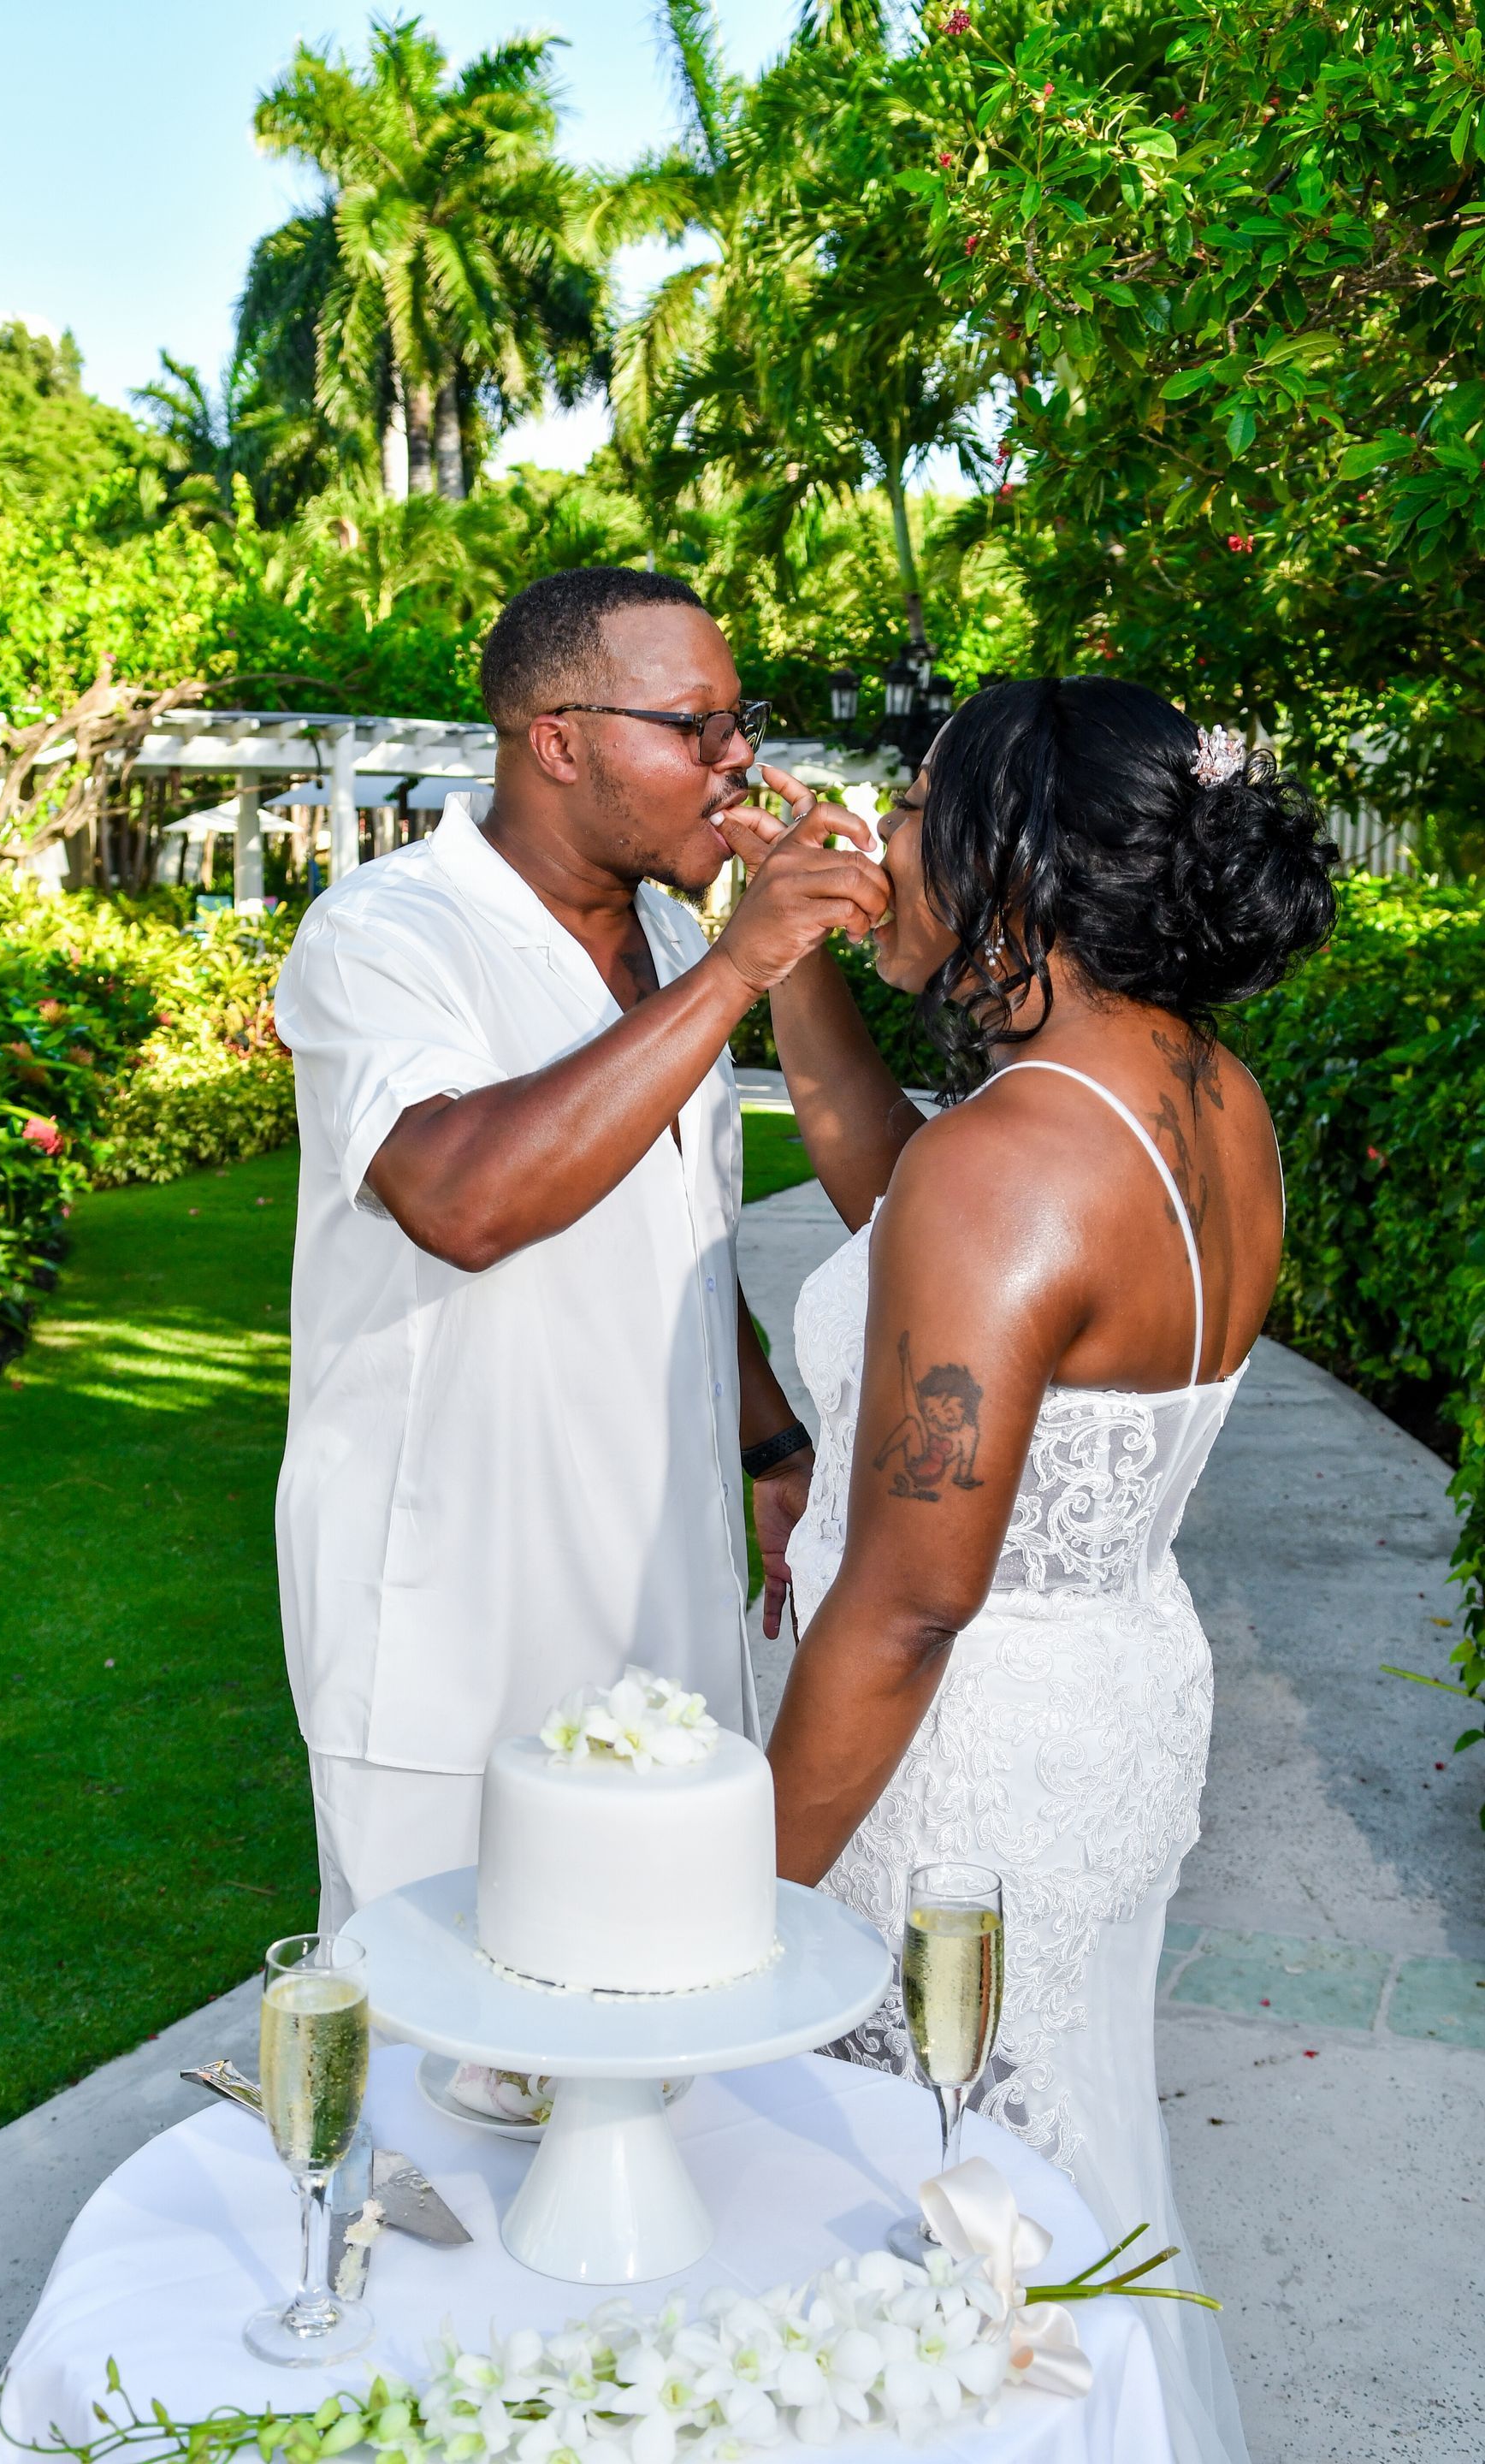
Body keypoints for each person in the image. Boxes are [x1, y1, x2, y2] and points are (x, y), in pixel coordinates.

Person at [722, 679, 1337, 2464]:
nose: (887, 841)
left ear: (1019, 859)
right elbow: (906, 1211)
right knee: (1035, 2198)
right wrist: (788, 962)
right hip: (1109, 1706)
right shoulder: (1191, 1092)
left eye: (920, 810)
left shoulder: (1016, 1159)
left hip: (952, 1761)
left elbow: (910, 1600)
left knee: (920, 2234)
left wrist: (728, 1911)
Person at [272, 566, 887, 1928]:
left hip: (665, 1588)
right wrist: (744, 969)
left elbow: (674, 1228)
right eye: (697, 726)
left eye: (744, 720)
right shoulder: (382, 934)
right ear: (557, 741)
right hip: (455, 1607)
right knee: (439, 2063)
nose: (742, 761)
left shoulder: (671, 933)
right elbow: (466, 1202)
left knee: (649, 2020)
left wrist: (774, 1446)